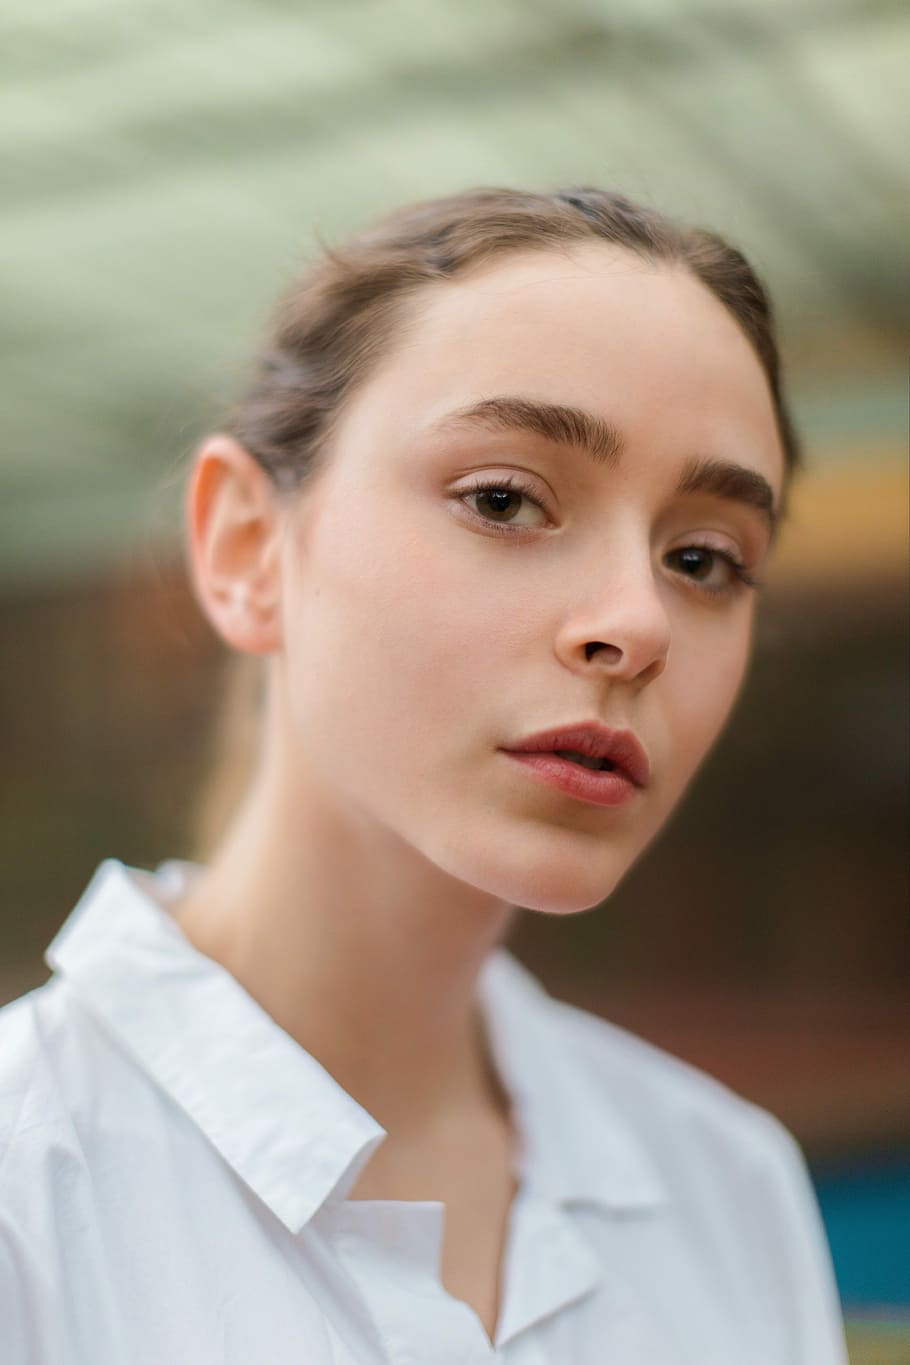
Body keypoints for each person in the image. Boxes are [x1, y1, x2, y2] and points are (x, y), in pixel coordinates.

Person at [0, 187, 849, 1363]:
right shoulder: (27, 1190)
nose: (636, 622)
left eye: (702, 559)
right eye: (503, 499)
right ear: (247, 547)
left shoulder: (728, 1187)